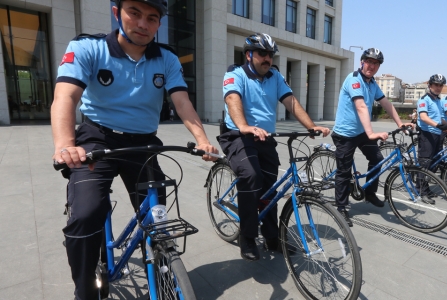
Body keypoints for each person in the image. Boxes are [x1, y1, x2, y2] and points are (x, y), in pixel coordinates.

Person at [51, 1, 218, 299]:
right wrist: (65, 145)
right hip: (97, 137)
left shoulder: (166, 57)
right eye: (135, 13)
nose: (143, 23)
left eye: (152, 18)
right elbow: (65, 96)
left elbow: (182, 102)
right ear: (117, 13)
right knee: (86, 214)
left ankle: (162, 268)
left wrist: (203, 139)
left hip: (143, 141)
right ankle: (85, 289)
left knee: (158, 216)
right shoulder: (88, 48)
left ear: (159, 24)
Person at [219, 33, 330, 261]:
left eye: (270, 54)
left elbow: (291, 101)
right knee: (252, 177)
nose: (267, 58)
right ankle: (248, 238)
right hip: (238, 136)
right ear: (249, 55)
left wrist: (311, 126)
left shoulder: (275, 76)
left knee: (271, 188)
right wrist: (244, 126)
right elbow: (232, 100)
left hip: (264, 138)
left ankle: (271, 238)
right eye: (262, 53)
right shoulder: (235, 74)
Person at [331, 48, 410, 227]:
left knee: (377, 159)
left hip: (361, 133)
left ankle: (370, 192)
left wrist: (400, 123)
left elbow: (386, 103)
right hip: (345, 134)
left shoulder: (372, 84)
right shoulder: (354, 80)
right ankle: (341, 207)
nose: (372, 66)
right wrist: (371, 133)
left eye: (375, 63)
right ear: (362, 62)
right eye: (369, 62)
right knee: (343, 172)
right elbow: (361, 107)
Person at [416, 74, 447, 204]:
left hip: (437, 134)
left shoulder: (438, 101)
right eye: (436, 85)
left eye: (440, 85)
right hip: (427, 133)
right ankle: (420, 191)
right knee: (424, 163)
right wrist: (438, 125)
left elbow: (438, 118)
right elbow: (424, 117)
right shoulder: (424, 100)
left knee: (434, 163)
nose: (438, 87)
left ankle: (425, 187)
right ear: (430, 85)